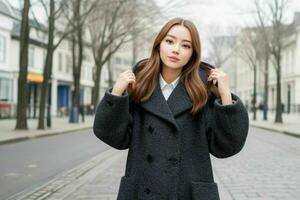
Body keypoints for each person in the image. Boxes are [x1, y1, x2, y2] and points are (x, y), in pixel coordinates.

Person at [93, 18, 249, 200]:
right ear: (159, 44)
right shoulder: (139, 85)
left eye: (185, 45)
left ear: (193, 53)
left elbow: (226, 146)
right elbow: (114, 137)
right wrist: (117, 93)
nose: (176, 49)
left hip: (188, 193)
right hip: (142, 191)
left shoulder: (202, 90)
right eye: (169, 41)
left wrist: (225, 96)